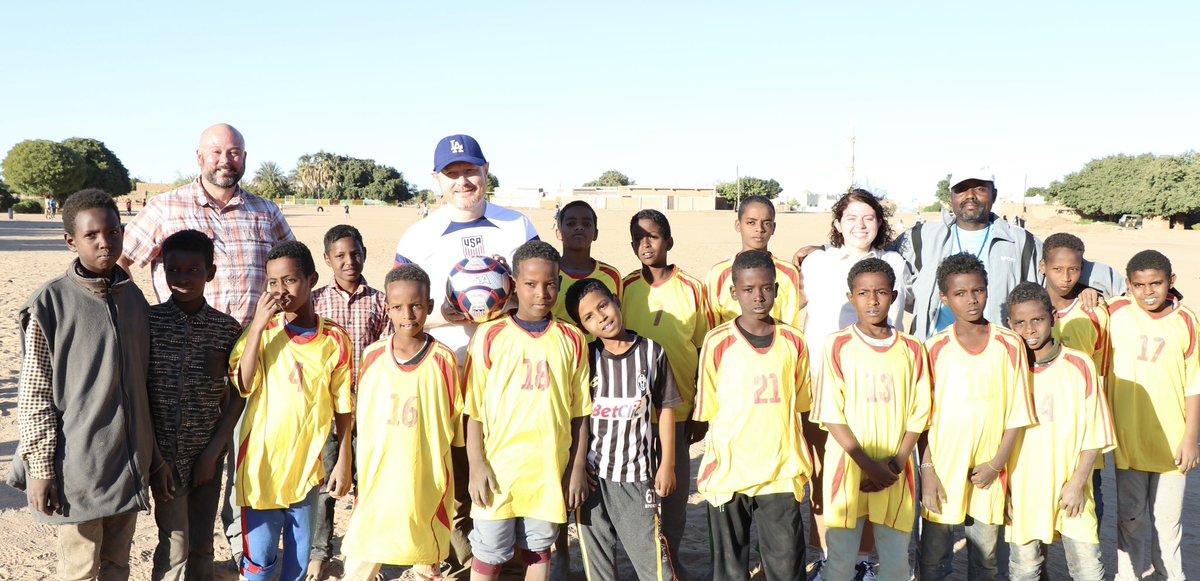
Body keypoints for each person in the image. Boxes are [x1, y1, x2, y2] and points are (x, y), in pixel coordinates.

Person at [120, 123, 295, 564]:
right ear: (199, 157)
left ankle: (242, 556)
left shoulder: (266, 212)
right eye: (216, 152)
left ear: (245, 157)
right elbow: (120, 263)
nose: (225, 160)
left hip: (256, 363)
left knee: (245, 466)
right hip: (182, 364)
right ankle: (195, 557)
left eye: (234, 152)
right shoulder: (165, 208)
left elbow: (294, 273)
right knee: (189, 475)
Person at [393, 134, 538, 580]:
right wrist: (446, 313)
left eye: (470, 171)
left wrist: (504, 305)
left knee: (509, 461)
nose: (463, 181)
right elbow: (400, 310)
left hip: (508, 375)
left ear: (486, 171)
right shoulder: (418, 236)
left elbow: (538, 293)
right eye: (452, 174)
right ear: (437, 179)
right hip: (448, 370)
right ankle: (459, 560)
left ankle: (509, 556)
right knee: (452, 469)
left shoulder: (518, 227)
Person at [10, 189, 154, 580]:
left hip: (128, 465)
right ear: (71, 241)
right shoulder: (49, 305)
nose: (105, 242)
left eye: (113, 232)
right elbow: (36, 395)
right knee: (79, 569)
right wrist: (40, 469)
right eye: (92, 235)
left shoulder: (134, 297)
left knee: (117, 565)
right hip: (78, 468)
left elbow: (144, 385)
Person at [795, 190, 909, 578]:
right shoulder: (816, 262)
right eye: (852, 217)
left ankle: (862, 561)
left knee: (871, 475)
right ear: (838, 223)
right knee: (827, 474)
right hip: (820, 383)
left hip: (878, 389)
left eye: (869, 218)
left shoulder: (893, 262)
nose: (860, 225)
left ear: (880, 223)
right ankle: (832, 556)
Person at [463, 240, 590, 581]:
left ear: (560, 284)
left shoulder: (572, 339)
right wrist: (476, 465)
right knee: (488, 554)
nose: (541, 292)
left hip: (547, 471)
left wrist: (576, 467)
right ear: (514, 285)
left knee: (538, 551)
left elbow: (580, 413)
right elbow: (473, 411)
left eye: (550, 284)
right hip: (498, 470)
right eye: (531, 284)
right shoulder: (490, 336)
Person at [228, 241, 355, 581]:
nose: (280, 290)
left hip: (307, 471)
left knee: (297, 565)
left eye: (290, 280)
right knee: (260, 562)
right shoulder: (263, 333)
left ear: (312, 279)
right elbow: (244, 383)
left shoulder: (335, 339)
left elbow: (343, 406)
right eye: (272, 282)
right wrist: (255, 326)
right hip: (261, 471)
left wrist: (344, 459)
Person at [694, 250, 812, 581]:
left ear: (776, 289)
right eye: (748, 290)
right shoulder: (717, 342)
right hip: (729, 474)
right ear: (734, 293)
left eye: (765, 288)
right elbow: (708, 410)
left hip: (781, 471)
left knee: (786, 566)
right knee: (730, 568)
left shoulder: (794, 341)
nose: (758, 297)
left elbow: (801, 403)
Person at [340, 264, 463, 581]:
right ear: (387, 309)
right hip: (377, 484)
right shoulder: (372, 356)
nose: (407, 314)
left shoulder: (443, 360)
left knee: (425, 562)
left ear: (430, 307)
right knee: (360, 561)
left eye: (416, 306)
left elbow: (454, 426)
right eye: (398, 307)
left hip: (424, 485)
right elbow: (360, 419)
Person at [811, 258, 930, 581]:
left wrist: (893, 466)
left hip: (896, 474)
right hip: (848, 470)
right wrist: (867, 464)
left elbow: (920, 412)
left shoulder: (912, 348)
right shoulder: (837, 344)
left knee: (894, 565)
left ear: (893, 295)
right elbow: (830, 413)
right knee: (839, 563)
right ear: (851, 297)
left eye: (880, 292)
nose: (873, 300)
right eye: (863, 293)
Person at [918, 253, 1035, 581]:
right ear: (944, 298)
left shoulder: (1010, 344)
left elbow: (1017, 413)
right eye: (959, 293)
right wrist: (927, 471)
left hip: (989, 473)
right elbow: (922, 420)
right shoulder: (934, 348)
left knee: (985, 561)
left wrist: (997, 464)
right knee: (933, 559)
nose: (971, 300)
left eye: (978, 291)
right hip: (942, 470)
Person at [565, 278, 682, 581]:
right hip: (593, 479)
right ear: (583, 326)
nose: (601, 317)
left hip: (637, 478)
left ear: (616, 301)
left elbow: (666, 409)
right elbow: (576, 417)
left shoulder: (651, 353)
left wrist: (667, 464)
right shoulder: (585, 360)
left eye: (603, 306)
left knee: (654, 566)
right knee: (598, 564)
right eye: (589, 316)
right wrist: (576, 466)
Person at [147, 229, 245, 580]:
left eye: (193, 270)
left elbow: (236, 395)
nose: (183, 277)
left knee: (202, 544)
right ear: (163, 271)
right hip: (163, 461)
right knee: (173, 545)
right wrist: (156, 461)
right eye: (174, 270)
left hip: (207, 459)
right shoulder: (150, 323)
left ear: (211, 273)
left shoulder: (225, 329)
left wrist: (212, 453)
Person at [621, 209, 712, 575]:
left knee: (672, 495)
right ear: (631, 244)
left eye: (654, 236)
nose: (646, 243)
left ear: (669, 242)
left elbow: (706, 350)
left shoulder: (692, 288)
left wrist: (701, 412)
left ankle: (671, 561)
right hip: (633, 412)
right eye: (639, 237)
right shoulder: (625, 287)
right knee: (638, 493)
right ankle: (646, 564)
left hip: (678, 411)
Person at [1003, 282, 1112, 581]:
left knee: (1088, 570)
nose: (1030, 330)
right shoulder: (1008, 368)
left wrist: (1077, 483)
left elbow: (1096, 433)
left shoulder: (1080, 365)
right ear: (1010, 325)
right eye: (1020, 323)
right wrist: (1006, 490)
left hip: (1072, 489)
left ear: (1052, 317)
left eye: (1037, 320)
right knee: (1025, 570)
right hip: (1023, 490)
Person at [1107, 250, 1199, 580]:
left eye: (1156, 283)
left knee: (1168, 524)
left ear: (1171, 282)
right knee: (1130, 519)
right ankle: (1128, 575)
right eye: (1139, 285)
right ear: (1128, 285)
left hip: (1172, 445)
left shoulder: (1186, 319)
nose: (1148, 292)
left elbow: (1194, 383)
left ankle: (1170, 575)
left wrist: (1191, 438)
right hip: (1128, 441)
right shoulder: (1114, 311)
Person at [307, 224, 390, 579]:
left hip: (369, 411)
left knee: (367, 484)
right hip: (326, 410)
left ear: (364, 254)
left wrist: (363, 399)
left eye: (354, 253)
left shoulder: (380, 301)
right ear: (327, 259)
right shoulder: (315, 301)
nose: (348, 261)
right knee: (325, 485)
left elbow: (385, 353)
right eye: (339, 255)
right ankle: (320, 553)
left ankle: (362, 552)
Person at [1040, 232, 1112, 522]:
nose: (1066, 277)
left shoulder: (1095, 312)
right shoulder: (1029, 310)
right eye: (1057, 269)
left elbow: (1102, 372)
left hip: (1082, 426)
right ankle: (1041, 568)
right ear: (1043, 267)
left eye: (1074, 269)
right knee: (1041, 507)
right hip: (1042, 424)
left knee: (1087, 509)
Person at [705, 196, 802, 328]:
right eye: (751, 222)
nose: (759, 229)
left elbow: (789, 324)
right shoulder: (718, 273)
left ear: (773, 228)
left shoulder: (788, 273)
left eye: (767, 223)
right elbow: (711, 326)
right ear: (738, 225)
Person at [553, 200, 622, 326]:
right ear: (559, 233)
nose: (579, 227)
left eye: (586, 224)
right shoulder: (549, 274)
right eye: (571, 223)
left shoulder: (611, 276)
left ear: (595, 234)